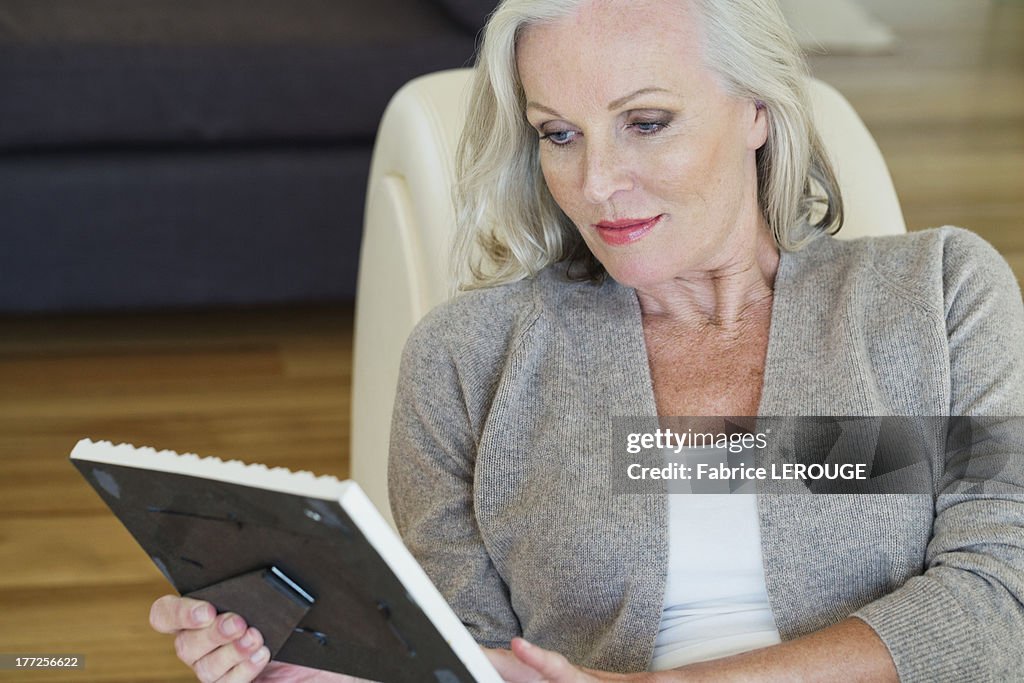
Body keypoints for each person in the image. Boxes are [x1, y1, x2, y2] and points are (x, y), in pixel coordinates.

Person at [149, 0, 1024, 681]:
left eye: (646, 121)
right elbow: (469, 655)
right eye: (559, 135)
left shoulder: (940, 295)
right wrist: (344, 666)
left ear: (757, 109)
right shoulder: (468, 360)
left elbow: (998, 605)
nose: (598, 182)